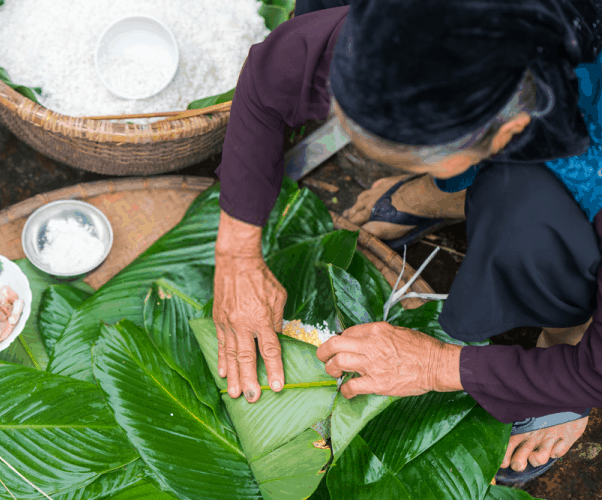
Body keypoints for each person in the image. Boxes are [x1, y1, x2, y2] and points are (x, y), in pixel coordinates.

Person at [212, 0, 602, 484]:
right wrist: (235, 253)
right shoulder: (406, 23)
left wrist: (437, 364)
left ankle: (560, 347)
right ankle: (443, 192)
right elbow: (274, 77)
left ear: (513, 129)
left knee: (526, 227)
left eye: (424, 159)